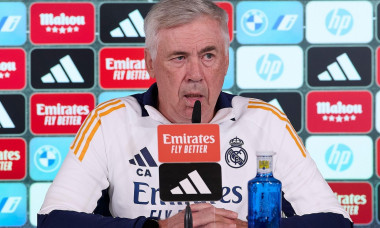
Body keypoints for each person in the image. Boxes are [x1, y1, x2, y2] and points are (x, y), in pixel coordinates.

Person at [37, 0, 353, 227]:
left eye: (208, 55)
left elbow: (336, 223)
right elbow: (52, 220)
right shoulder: (110, 121)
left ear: (226, 62)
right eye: (179, 57)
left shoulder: (264, 121)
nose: (195, 74)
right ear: (149, 63)